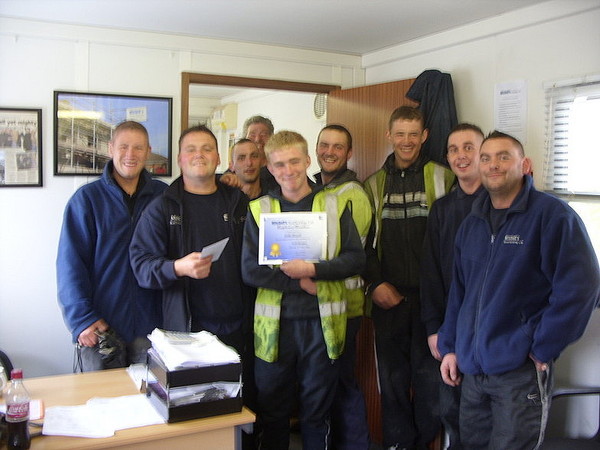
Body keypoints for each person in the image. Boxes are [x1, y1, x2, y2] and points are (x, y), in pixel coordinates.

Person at [438, 131, 600, 450]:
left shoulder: (553, 216)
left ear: (524, 165)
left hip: (518, 372)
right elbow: (460, 293)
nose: (493, 165)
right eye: (486, 158)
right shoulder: (472, 223)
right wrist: (450, 347)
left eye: (503, 157)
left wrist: (542, 346)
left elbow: (582, 286)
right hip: (472, 373)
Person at [242, 130, 365, 450]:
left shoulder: (334, 204)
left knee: (316, 413)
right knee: (273, 413)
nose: (288, 170)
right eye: (280, 164)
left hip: (321, 328)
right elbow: (250, 271)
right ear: (270, 168)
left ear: (308, 160)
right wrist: (299, 283)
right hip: (274, 330)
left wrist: (313, 271)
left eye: (295, 161)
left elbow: (355, 259)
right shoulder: (259, 209)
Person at [363, 106, 455, 449]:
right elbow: (362, 245)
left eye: (413, 134)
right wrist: (375, 284)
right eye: (400, 134)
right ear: (389, 135)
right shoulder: (373, 184)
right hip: (388, 302)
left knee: (431, 384)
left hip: (432, 304)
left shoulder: (444, 178)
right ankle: (398, 444)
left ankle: (422, 443)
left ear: (424, 136)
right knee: (392, 385)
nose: (407, 141)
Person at [57, 120, 167, 371]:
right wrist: (82, 319)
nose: (130, 154)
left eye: (138, 147)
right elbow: (70, 265)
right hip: (100, 327)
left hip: (152, 328)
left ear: (148, 152)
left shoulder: (164, 197)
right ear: (110, 148)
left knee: (150, 395)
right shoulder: (86, 200)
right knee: (101, 395)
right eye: (123, 146)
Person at [420, 123, 485, 449]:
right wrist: (434, 328)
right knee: (452, 413)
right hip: (451, 331)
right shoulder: (442, 209)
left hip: (490, 332)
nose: (461, 156)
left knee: (486, 421)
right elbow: (430, 272)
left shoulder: (500, 204)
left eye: (468, 147)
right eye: (454, 149)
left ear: (483, 153)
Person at [314, 124, 372, 449]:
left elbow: (345, 256)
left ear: (349, 153)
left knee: (343, 384)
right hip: (323, 304)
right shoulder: (316, 189)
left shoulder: (354, 194)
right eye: (325, 145)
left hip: (345, 309)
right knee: (329, 385)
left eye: (338, 147)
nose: (330, 152)